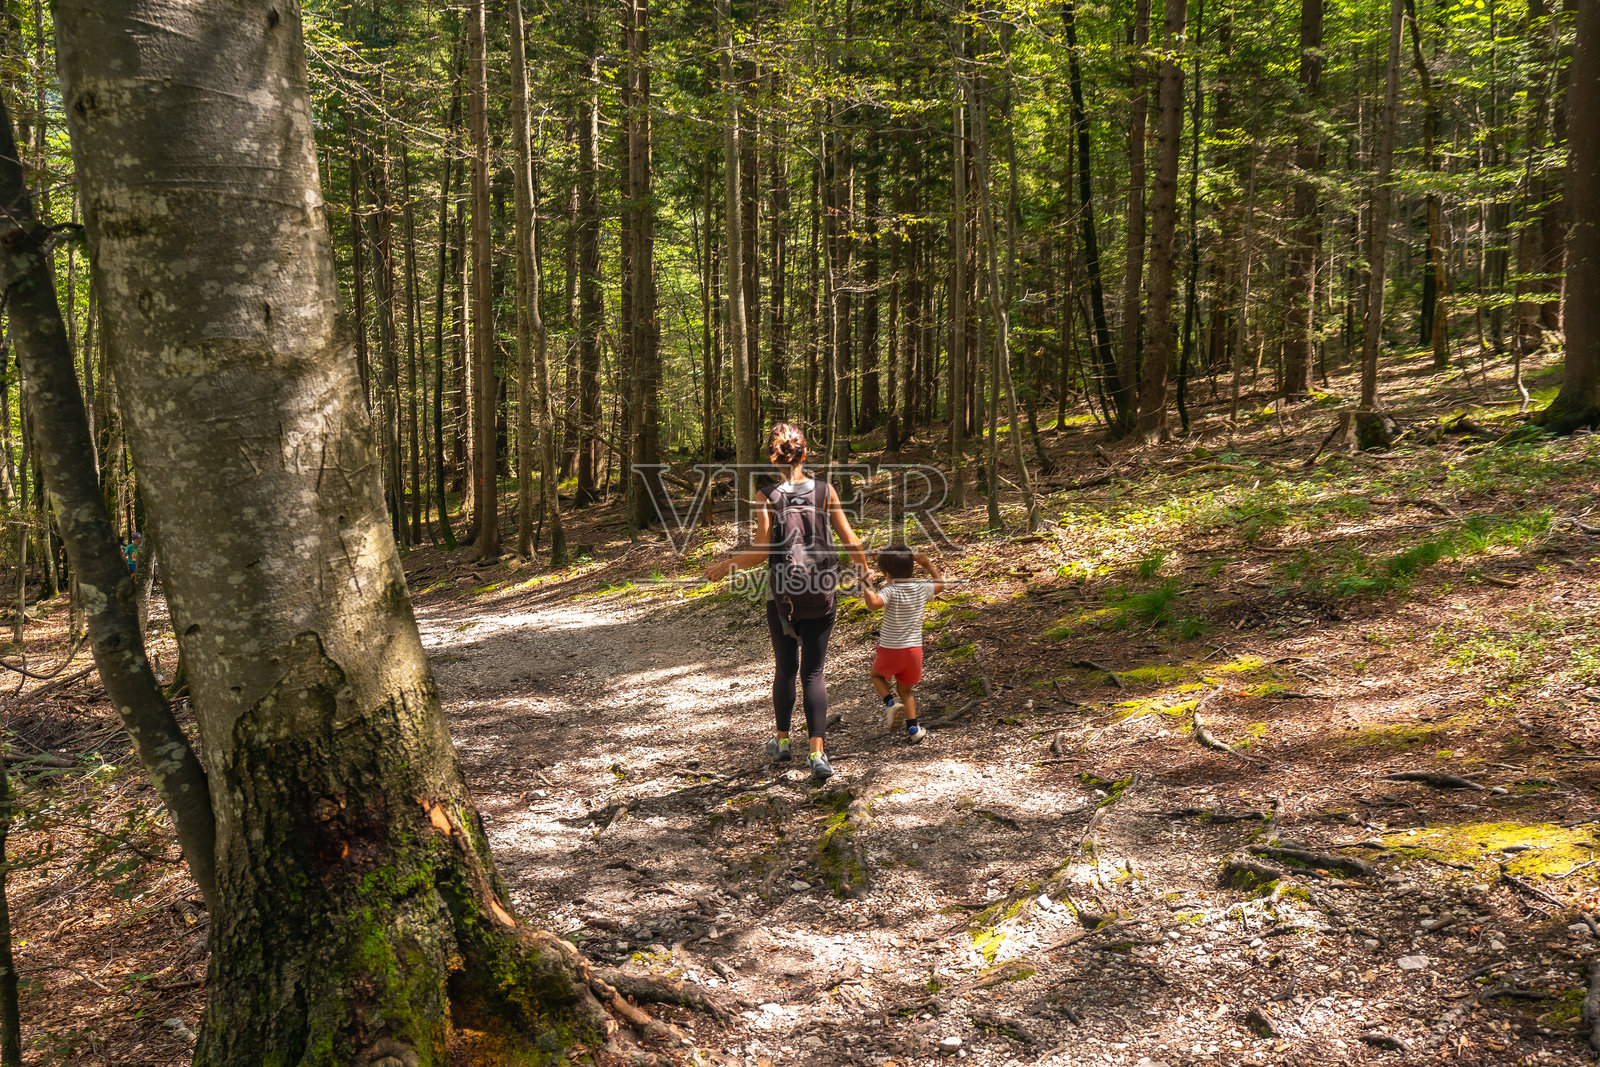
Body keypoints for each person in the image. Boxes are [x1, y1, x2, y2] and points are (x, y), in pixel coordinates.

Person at [704, 423, 869, 781]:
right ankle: (817, 754)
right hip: (822, 590)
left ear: (772, 457)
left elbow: (763, 550)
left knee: (786, 669)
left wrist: (724, 566)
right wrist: (865, 573)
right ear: (804, 454)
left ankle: (781, 741)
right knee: (814, 672)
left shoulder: (768, 496)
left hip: (782, 595)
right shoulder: (825, 491)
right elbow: (850, 539)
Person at [861, 544, 945, 743]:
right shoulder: (922, 588)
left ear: (887, 572)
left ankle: (891, 705)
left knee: (876, 676)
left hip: (890, 649)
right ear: (913, 567)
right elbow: (941, 584)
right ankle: (914, 729)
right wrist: (927, 564)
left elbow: (873, 604)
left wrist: (866, 583)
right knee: (906, 690)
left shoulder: (890, 590)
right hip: (914, 651)